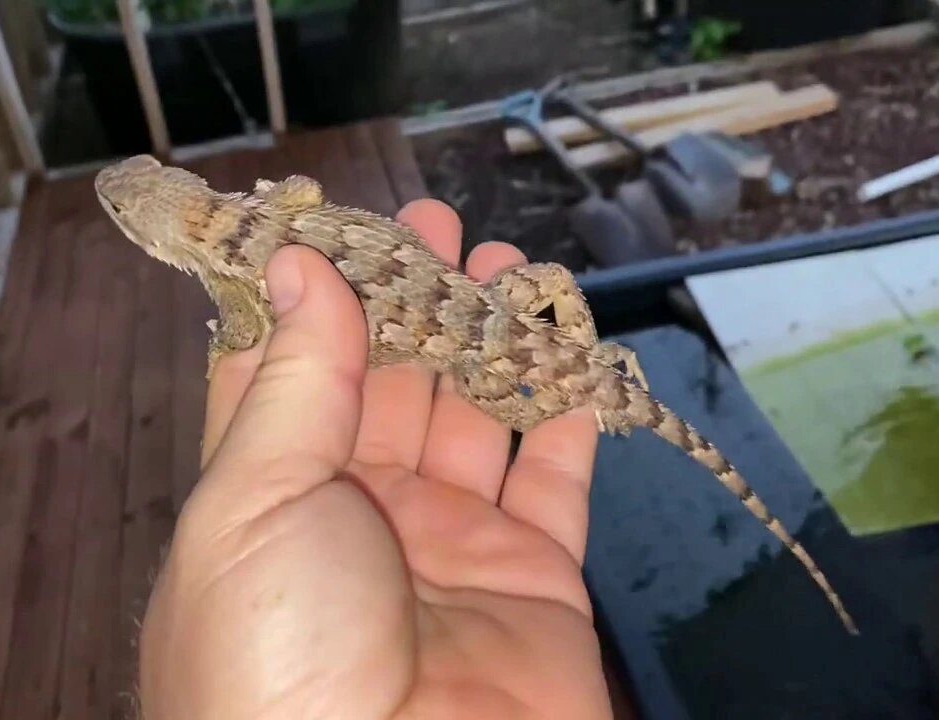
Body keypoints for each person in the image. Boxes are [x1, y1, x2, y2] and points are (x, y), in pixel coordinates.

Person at [136, 199, 614, 718]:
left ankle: (575, 380)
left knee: (495, 390)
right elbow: (304, 191)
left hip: (458, 340)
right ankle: (587, 363)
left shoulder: (229, 277)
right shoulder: (261, 208)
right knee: (546, 289)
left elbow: (243, 331)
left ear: (159, 242)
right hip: (461, 309)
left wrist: (221, 350)